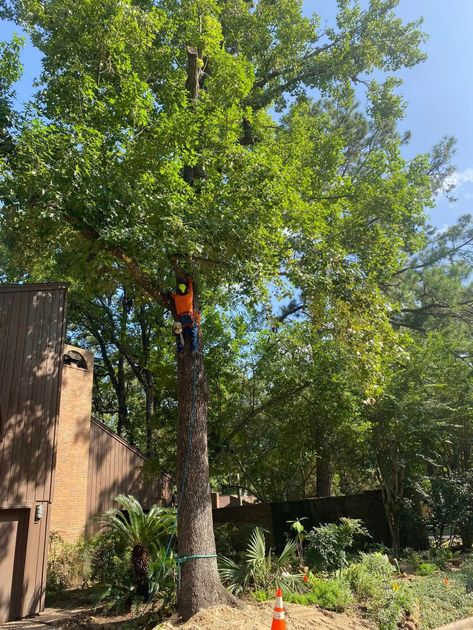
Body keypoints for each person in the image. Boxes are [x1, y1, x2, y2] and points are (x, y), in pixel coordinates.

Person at [170, 278, 199, 353]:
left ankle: (180, 349)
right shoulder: (190, 295)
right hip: (190, 318)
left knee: (180, 334)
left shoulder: (176, 297)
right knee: (194, 332)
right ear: (186, 290)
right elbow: (191, 288)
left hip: (181, 320)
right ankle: (194, 349)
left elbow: (171, 294)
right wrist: (189, 281)